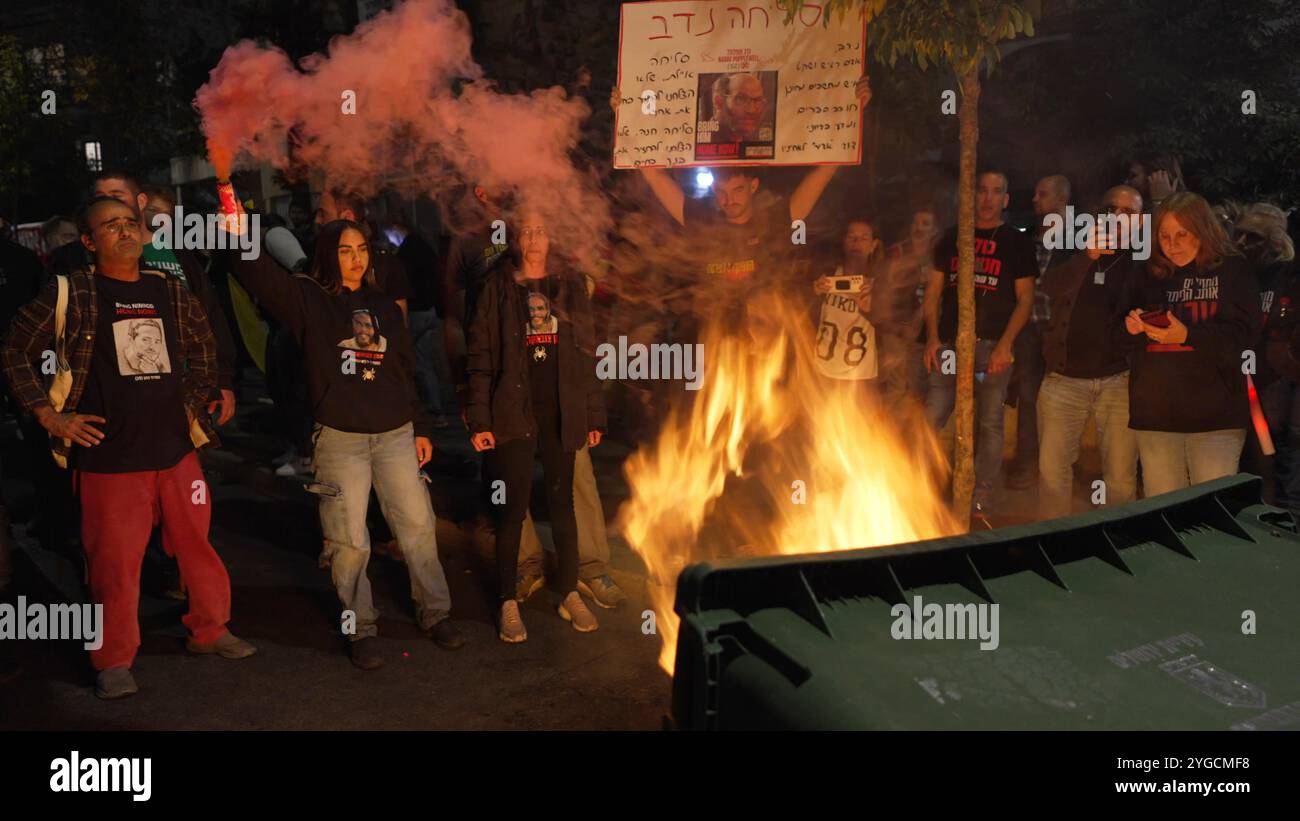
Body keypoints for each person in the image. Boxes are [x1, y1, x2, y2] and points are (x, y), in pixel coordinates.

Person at [1, 196, 256, 699]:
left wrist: (196, 397)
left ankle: (211, 629)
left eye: (129, 223)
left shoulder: (167, 289)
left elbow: (204, 343)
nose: (123, 231)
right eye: (109, 226)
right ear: (89, 242)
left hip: (177, 452)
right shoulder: (71, 293)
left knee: (196, 548)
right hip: (110, 460)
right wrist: (50, 415)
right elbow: (13, 351)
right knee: (114, 565)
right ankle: (114, 659)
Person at [229, 214, 464, 669]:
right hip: (340, 441)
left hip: (396, 435)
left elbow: (403, 371)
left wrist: (421, 428)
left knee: (417, 527)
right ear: (327, 256)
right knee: (347, 540)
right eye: (344, 250)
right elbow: (254, 272)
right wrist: (237, 232)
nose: (355, 259)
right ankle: (361, 627)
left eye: (361, 250)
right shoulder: (308, 301)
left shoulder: (383, 306)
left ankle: (437, 613)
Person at [467, 209, 607, 643]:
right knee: (511, 510)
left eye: (541, 231)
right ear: (515, 239)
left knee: (562, 505)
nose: (533, 240)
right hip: (513, 412)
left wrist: (593, 413)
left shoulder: (568, 286)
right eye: (526, 232)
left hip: (560, 413)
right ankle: (508, 601)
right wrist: (480, 417)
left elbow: (587, 353)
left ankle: (568, 591)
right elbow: (480, 356)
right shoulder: (497, 286)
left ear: (552, 238)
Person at [1122, 192, 1259, 495]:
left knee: (1210, 512)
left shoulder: (1233, 271)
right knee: (1164, 512)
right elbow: (1118, 334)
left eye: (1182, 234)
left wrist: (1187, 335)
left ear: (1203, 229)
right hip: (1156, 416)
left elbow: (1244, 338)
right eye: (1165, 236)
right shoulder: (1149, 274)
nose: (1173, 244)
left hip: (1215, 418)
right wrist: (1132, 327)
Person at [923, 171, 1038, 518]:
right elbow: (933, 292)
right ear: (971, 197)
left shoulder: (1016, 242)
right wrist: (932, 339)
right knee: (930, 418)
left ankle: (980, 496)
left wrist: (1006, 346)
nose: (987, 198)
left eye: (995, 192)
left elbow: (1026, 299)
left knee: (989, 421)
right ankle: (920, 488)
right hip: (950, 345)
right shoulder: (951, 238)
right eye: (981, 191)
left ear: (1005, 200)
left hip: (992, 346)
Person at [93, 172, 237, 425]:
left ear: (140, 202)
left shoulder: (179, 253)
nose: (109, 203)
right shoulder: (82, 261)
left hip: (185, 389)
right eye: (100, 197)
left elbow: (210, 314)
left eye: (117, 196)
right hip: (116, 400)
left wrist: (222, 380)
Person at [1035, 185, 1144, 519]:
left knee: (1121, 479)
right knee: (1053, 475)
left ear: (1140, 222)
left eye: (1129, 212)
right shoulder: (1073, 245)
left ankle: (1120, 542)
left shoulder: (1145, 260)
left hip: (1119, 381)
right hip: (1064, 380)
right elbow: (1047, 289)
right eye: (1113, 208)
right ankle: (1054, 547)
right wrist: (1087, 256)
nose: (1119, 217)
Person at [1007, 174, 1074, 490]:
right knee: (1029, 397)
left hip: (1062, 331)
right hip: (1030, 328)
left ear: (1061, 200)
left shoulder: (1077, 239)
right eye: (1036, 194)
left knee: (1065, 399)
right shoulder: (1030, 237)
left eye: (1042, 194)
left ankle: (1059, 468)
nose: (1035, 200)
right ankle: (1027, 466)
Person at [1234, 205, 1298, 510]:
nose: (1242, 243)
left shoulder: (1288, 276)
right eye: (1239, 233)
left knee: (1274, 465)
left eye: (1253, 237)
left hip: (1274, 384)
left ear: (1274, 242)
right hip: (1239, 384)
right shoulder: (1235, 274)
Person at [811, 218, 882, 385]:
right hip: (822, 371)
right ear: (844, 241)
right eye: (852, 237)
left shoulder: (880, 283)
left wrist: (872, 309)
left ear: (874, 244)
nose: (857, 243)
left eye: (864, 238)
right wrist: (813, 292)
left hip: (860, 377)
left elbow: (893, 326)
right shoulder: (827, 274)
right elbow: (799, 314)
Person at [883, 207, 941, 400]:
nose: (919, 228)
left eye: (925, 224)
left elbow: (935, 297)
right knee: (894, 387)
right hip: (896, 329)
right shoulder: (897, 252)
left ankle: (913, 430)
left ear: (934, 229)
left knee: (917, 389)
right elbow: (887, 287)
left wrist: (917, 322)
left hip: (923, 334)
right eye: (916, 223)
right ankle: (890, 429)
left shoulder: (938, 257)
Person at [706, 73, 770, 144]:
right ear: (718, 102)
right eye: (740, 99)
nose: (751, 110)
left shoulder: (751, 141)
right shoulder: (705, 140)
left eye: (758, 100)